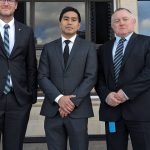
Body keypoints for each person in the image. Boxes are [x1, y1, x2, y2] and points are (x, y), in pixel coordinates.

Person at [38, 6, 97, 150]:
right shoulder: (48, 48)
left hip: (78, 110)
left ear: (78, 25)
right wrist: (59, 99)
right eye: (66, 19)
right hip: (53, 111)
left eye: (73, 20)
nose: (69, 22)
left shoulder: (89, 47)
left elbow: (91, 77)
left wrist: (71, 102)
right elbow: (42, 76)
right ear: (60, 23)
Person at [95, 7, 150, 150]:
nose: (121, 23)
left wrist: (125, 93)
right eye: (116, 21)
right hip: (112, 113)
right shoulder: (103, 49)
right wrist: (106, 95)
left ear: (133, 22)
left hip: (140, 112)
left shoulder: (147, 43)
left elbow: (148, 73)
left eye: (125, 19)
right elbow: (98, 77)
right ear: (112, 26)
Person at [0, 0, 37, 149]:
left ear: (16, 5)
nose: (6, 3)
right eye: (2, 0)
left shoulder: (26, 31)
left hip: (19, 100)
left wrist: (30, 97)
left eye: (10, 0)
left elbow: (31, 66)